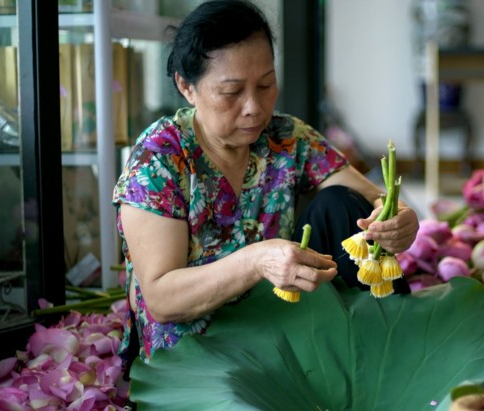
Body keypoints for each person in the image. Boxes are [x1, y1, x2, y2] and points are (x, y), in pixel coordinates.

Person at [112, 0, 419, 366]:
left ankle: (397, 357)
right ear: (186, 86)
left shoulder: (284, 136)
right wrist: (256, 261)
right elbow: (162, 300)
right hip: (193, 358)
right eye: (231, 92)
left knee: (342, 203)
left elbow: (371, 197)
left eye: (266, 84)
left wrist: (398, 217)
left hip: (278, 333)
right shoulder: (159, 158)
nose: (254, 107)